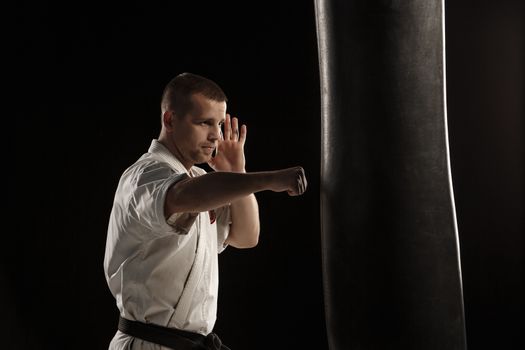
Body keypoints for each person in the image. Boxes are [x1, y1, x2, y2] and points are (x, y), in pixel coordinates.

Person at [103, 72, 307, 350]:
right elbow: (183, 196)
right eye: (204, 123)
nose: (215, 135)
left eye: (220, 124)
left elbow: (246, 237)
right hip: (146, 343)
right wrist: (270, 180)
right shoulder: (145, 175)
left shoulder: (201, 180)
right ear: (170, 120)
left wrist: (237, 171)